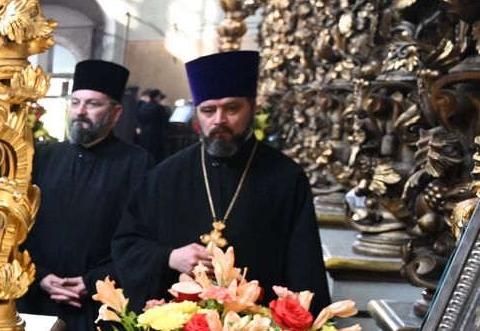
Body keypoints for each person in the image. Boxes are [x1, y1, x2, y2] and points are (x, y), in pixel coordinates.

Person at [113, 49, 331, 306]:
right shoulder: (164, 177)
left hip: (260, 325)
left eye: (232, 108)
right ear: (197, 113)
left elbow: (305, 268)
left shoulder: (286, 178)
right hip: (177, 324)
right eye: (208, 110)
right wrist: (169, 257)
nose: (219, 120)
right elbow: (127, 244)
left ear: (253, 108)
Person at [21, 60, 154, 331]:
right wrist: (41, 275)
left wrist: (92, 281)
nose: (81, 111)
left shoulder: (137, 164)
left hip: (97, 314)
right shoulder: (43, 157)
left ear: (115, 112)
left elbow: (140, 242)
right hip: (41, 305)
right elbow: (20, 228)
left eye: (93, 104)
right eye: (76, 102)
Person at [135, 87, 172, 162]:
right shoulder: (159, 108)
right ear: (157, 97)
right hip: (156, 136)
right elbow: (165, 122)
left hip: (144, 135)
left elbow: (139, 119)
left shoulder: (143, 107)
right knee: (156, 157)